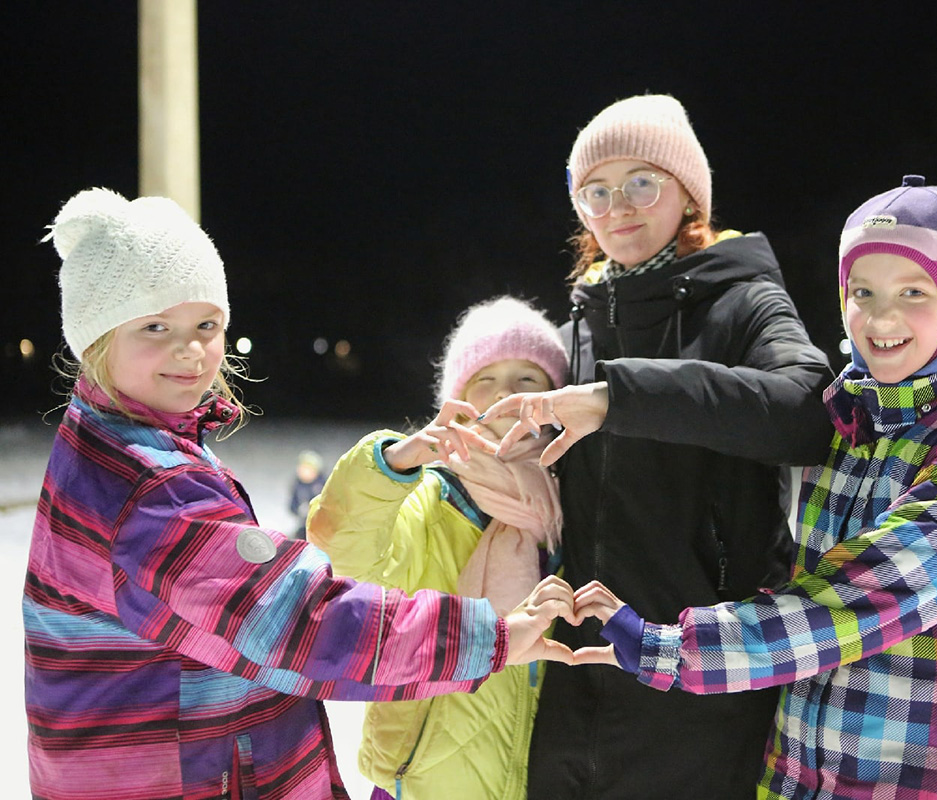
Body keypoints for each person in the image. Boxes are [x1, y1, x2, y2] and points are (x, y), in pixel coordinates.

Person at [22, 188, 575, 800]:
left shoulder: (130, 439)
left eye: (207, 324)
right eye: (155, 325)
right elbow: (300, 622)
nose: (190, 349)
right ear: (96, 336)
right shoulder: (147, 487)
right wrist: (488, 637)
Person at [572, 175, 937, 799]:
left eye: (913, 292)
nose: (881, 317)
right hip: (808, 777)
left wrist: (674, 650)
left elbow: (858, 600)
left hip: (935, 779)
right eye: (862, 291)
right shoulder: (852, 421)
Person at [480, 94, 833, 799]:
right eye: (596, 192)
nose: (619, 207)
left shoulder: (743, 299)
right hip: (581, 665)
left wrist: (621, 398)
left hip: (699, 669)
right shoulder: (585, 320)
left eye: (643, 182)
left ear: (688, 193)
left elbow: (807, 410)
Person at [306, 295, 570, 800]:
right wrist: (394, 465)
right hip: (427, 778)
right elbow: (347, 557)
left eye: (527, 379)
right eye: (485, 380)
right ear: (459, 396)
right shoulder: (430, 496)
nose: (505, 394)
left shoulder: (580, 500)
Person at [289, 449, 327, 539]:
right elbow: (292, 505)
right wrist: (299, 510)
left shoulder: (322, 486)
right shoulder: (298, 485)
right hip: (304, 525)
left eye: (307, 469)